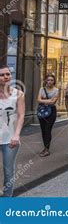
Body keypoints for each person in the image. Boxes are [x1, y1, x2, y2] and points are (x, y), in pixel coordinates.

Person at [0, 65, 25, 197]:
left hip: (10, 139)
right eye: (2, 75)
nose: (5, 77)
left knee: (8, 170)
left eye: (8, 74)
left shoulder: (18, 94)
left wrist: (16, 135)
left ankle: (7, 199)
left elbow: (21, 115)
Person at [37, 74, 59, 157]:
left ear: (54, 82)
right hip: (42, 111)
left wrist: (43, 100)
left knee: (48, 129)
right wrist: (48, 100)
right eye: (48, 80)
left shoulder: (56, 90)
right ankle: (45, 147)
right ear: (46, 80)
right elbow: (38, 99)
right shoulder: (42, 89)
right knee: (43, 130)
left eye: (51, 80)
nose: (49, 81)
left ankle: (47, 149)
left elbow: (53, 102)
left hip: (52, 111)